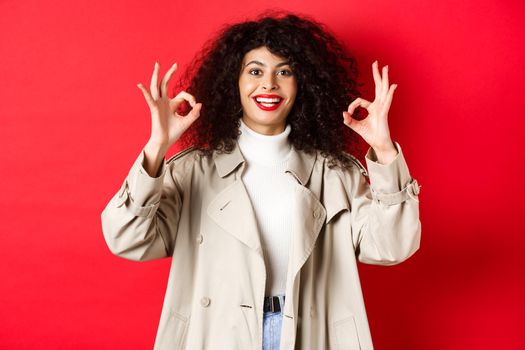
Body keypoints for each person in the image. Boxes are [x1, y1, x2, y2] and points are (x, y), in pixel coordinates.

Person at [101, 12, 421, 350]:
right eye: (255, 71)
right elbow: (126, 239)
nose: (269, 84)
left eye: (284, 72)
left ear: (303, 85)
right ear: (233, 83)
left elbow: (393, 246)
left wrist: (384, 151)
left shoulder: (335, 173)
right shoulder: (194, 171)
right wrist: (156, 148)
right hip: (217, 336)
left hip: (310, 337)